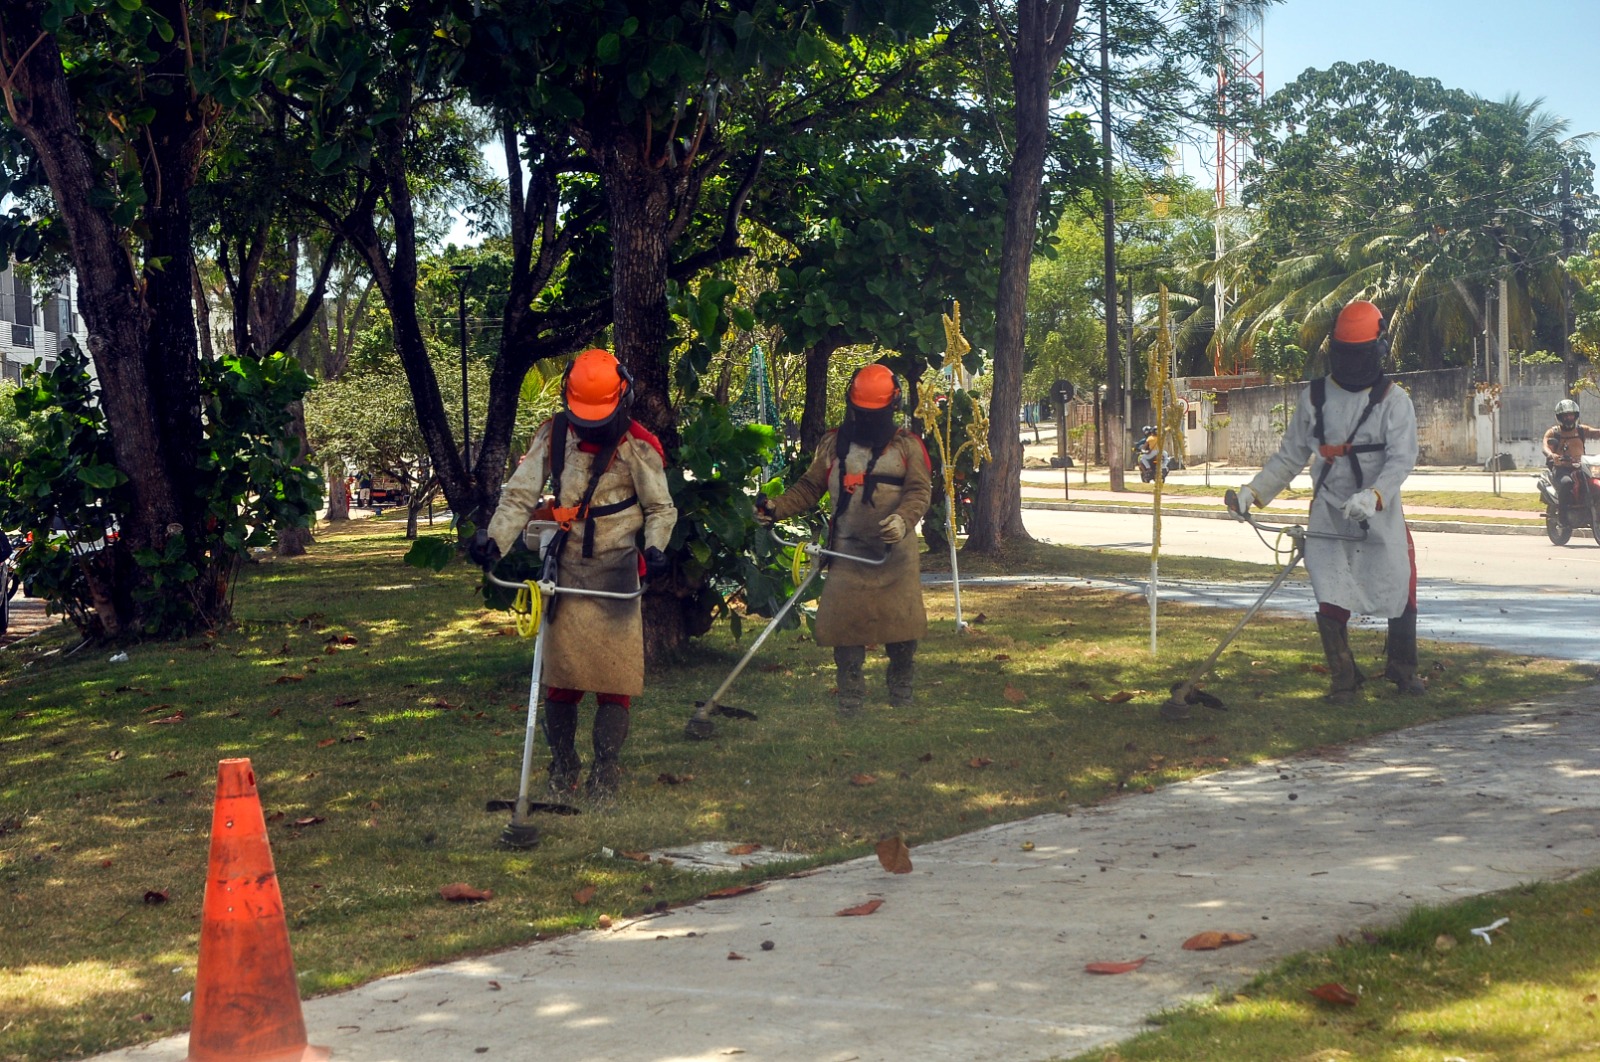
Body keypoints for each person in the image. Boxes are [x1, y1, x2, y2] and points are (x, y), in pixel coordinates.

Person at [471, 348, 678, 800]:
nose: (589, 424)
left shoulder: (639, 446)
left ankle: (607, 771)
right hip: (564, 572)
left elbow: (660, 507)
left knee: (613, 682)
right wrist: (494, 539)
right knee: (561, 681)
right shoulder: (555, 434)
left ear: (621, 398)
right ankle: (563, 764)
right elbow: (520, 495)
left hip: (617, 573)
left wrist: (657, 546)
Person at [1229, 300, 1426, 700]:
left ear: (1379, 350)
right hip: (1329, 511)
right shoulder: (1315, 397)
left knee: (1399, 583)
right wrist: (1254, 492)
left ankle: (1404, 672)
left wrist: (1374, 496)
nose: (1354, 363)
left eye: (1361, 355)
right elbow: (1290, 456)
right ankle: (1344, 679)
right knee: (1331, 590)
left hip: (1378, 511)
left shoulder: (1394, 400)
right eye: (1347, 355)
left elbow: (1401, 459)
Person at [754, 364, 932, 716]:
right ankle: (850, 695)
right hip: (848, 553)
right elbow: (809, 487)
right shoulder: (834, 445)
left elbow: (919, 492)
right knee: (846, 627)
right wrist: (776, 508)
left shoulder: (907, 448)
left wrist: (903, 519)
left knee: (901, 627)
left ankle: (901, 689)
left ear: (891, 407)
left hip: (893, 556)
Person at [1542, 399, 1600, 517]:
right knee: (1567, 483)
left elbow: (1596, 433)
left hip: (1581, 467)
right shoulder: (1554, 432)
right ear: (1560, 417)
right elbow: (1545, 446)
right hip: (1562, 468)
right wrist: (1552, 455)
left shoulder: (1581, 430)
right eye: (1566, 415)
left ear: (1576, 415)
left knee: (1593, 481)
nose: (1569, 418)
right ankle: (1563, 516)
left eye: (1571, 415)